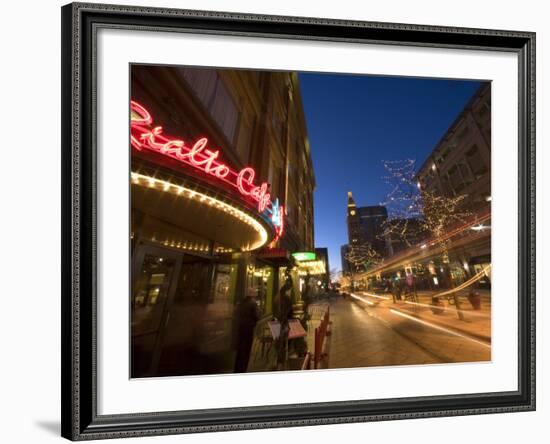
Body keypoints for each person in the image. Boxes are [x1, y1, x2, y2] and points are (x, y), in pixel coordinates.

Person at [233, 288, 259, 373]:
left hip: (240, 328)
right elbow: (256, 316)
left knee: (240, 348)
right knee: (247, 349)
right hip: (249, 328)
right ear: (253, 295)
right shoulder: (253, 303)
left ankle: (237, 368)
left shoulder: (241, 303)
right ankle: (243, 368)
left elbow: (236, 313)